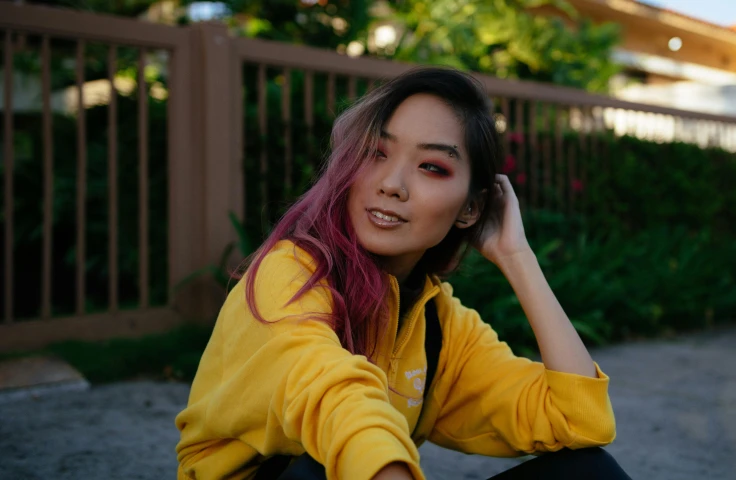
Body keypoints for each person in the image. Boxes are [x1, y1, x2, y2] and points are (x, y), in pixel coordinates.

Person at [175, 67, 630, 480]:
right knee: (318, 470)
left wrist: (517, 256)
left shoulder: (438, 327)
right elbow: (337, 403)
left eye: (432, 166)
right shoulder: (290, 274)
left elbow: (581, 422)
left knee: (589, 473)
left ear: (470, 208)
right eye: (375, 152)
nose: (391, 184)